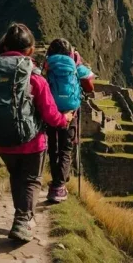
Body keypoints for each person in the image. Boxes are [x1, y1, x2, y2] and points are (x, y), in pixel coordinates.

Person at [0, 23, 74, 242]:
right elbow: (50, 115)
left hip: (1, 141)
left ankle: (21, 216)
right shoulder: (33, 76)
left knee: (16, 176)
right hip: (31, 143)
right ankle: (23, 221)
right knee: (31, 180)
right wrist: (65, 119)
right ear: (29, 49)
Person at [44, 38, 94, 203]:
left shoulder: (48, 64)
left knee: (53, 146)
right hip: (70, 112)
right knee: (66, 147)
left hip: (51, 110)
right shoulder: (75, 66)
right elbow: (89, 85)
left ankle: (56, 181)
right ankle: (59, 186)